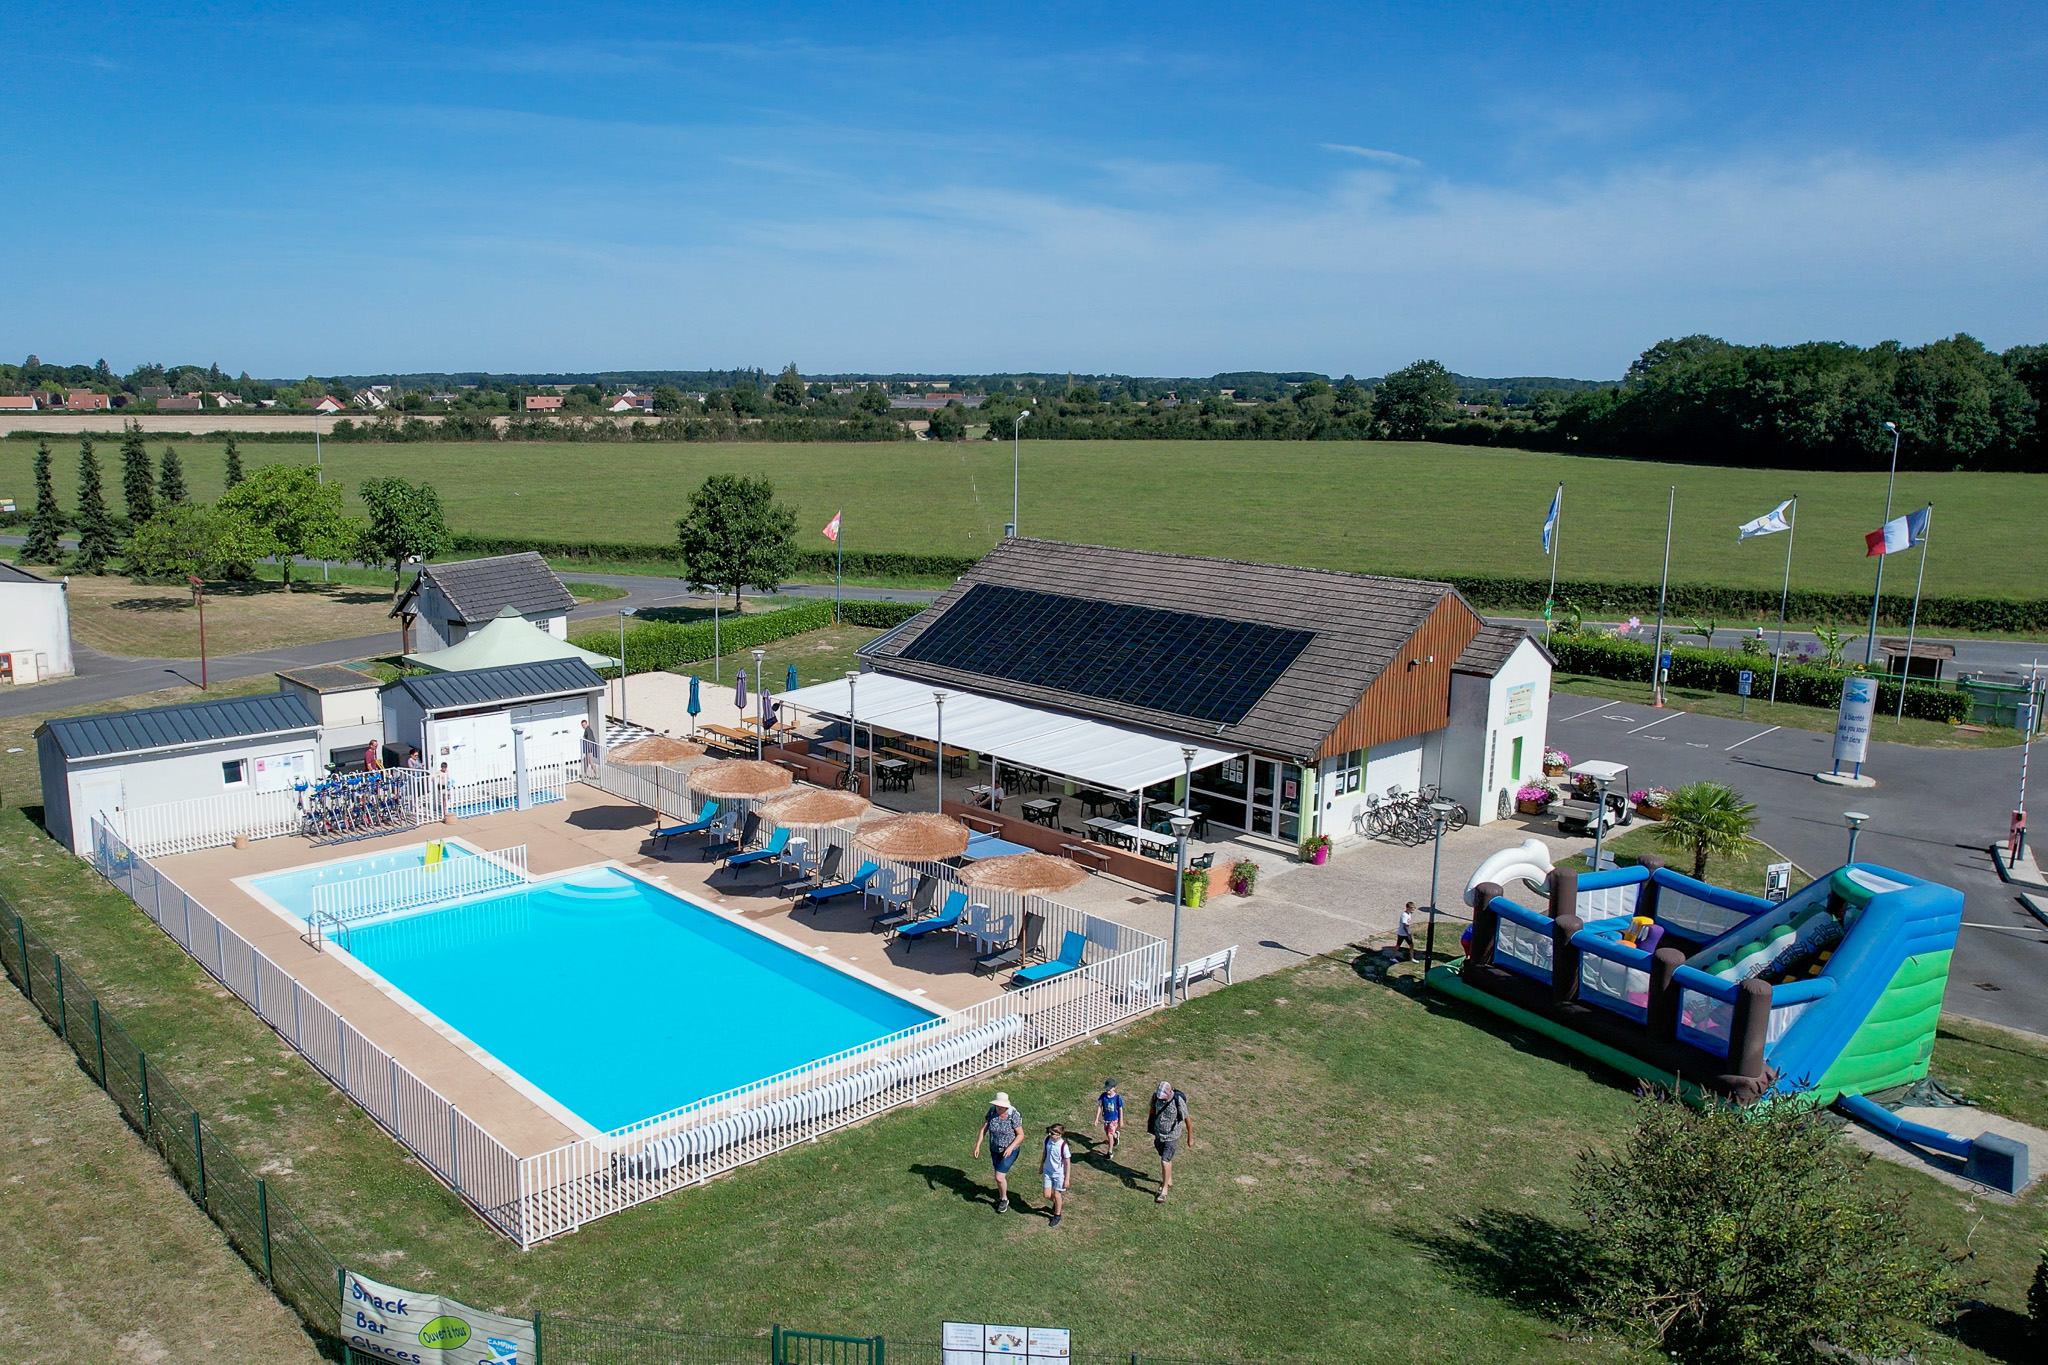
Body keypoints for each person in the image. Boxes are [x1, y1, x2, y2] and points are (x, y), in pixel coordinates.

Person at [972, 1091, 1025, 1212]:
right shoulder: (992, 1112)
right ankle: (1002, 1196)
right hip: (995, 1149)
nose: (999, 1108)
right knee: (998, 1178)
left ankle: (1004, 1200)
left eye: (1002, 1107)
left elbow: (1021, 1135)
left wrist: (1010, 1147)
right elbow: (984, 1129)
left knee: (999, 1177)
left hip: (1010, 1151)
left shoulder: (1013, 1116)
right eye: (998, 1106)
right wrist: (977, 1146)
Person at [1147, 1080, 1192, 1203]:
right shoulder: (1156, 1097)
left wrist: (1190, 1137)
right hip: (1159, 1134)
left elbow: (1187, 1119)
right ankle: (1169, 1179)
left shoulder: (1177, 1101)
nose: (1160, 1099)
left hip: (1172, 1136)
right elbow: (1152, 1109)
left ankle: (1164, 1190)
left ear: (1168, 1093)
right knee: (1164, 1156)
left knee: (1165, 1160)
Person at [1041, 1123, 1072, 1227]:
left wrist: (1067, 1179)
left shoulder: (1063, 1146)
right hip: (1048, 1172)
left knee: (1057, 1193)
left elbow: (1067, 1163)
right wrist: (1041, 1165)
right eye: (1049, 1132)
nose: (1050, 1134)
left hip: (1059, 1174)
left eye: (1053, 1133)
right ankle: (1059, 1202)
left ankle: (1057, 1215)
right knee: (1047, 1195)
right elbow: (1045, 1153)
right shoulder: (1047, 1140)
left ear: (1059, 1135)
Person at [1097, 1078, 1123, 1155]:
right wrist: (1097, 1118)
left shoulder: (1117, 1098)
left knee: (1109, 1134)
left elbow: (1120, 1109)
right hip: (1106, 1118)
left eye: (1109, 1089)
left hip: (1114, 1119)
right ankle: (1116, 1135)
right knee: (1107, 1132)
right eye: (1106, 1089)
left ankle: (1110, 1151)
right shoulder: (1103, 1096)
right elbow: (1100, 1106)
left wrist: (1120, 1120)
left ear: (1114, 1088)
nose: (1107, 1091)